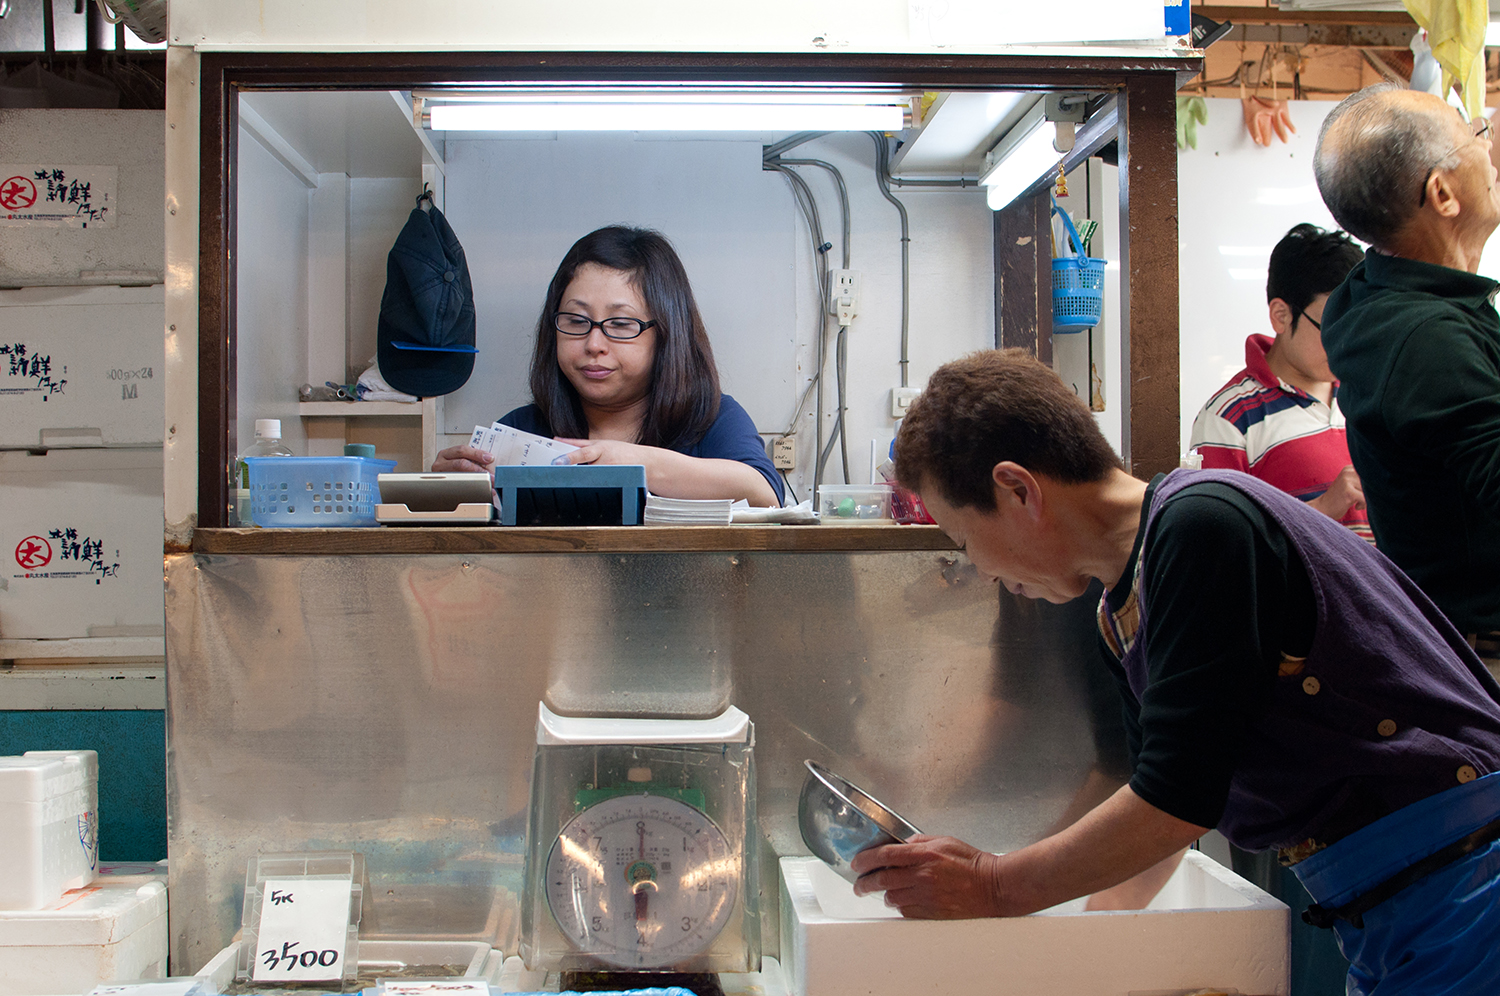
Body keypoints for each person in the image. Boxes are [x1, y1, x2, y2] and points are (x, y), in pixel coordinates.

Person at [857, 348, 1500, 996]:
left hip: (1468, 875)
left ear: (1018, 489)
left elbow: (1176, 805)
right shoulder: (1120, 609)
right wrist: (1078, 957)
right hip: (1385, 898)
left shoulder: (1202, 527)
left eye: (965, 543)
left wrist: (994, 886)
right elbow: (1149, 814)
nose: (984, 573)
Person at [1312, 82, 1500, 671]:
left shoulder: (1381, 294)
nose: (1489, 148)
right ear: (1442, 193)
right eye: (1475, 135)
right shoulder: (1425, 342)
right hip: (1484, 657)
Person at [432, 226, 782, 506]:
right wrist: (448, 491)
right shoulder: (525, 430)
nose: (593, 345)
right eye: (575, 320)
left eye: (620, 324)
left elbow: (763, 492)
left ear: (667, 334)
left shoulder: (711, 418)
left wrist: (631, 464)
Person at [1189, 223, 1370, 541]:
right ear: (1281, 315)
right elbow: (1215, 544)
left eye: (1356, 324)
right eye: (1332, 327)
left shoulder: (1369, 392)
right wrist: (1324, 507)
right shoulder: (1228, 419)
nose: (1346, 343)